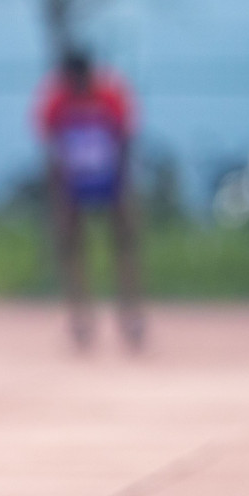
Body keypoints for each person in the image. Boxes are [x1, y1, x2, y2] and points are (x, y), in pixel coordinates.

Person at [34, 48, 146, 351]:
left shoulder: (110, 94)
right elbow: (50, 147)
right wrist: (59, 192)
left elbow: (125, 140)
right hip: (73, 180)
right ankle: (80, 316)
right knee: (71, 246)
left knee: (124, 243)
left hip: (110, 177)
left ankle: (131, 314)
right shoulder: (56, 98)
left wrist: (122, 188)